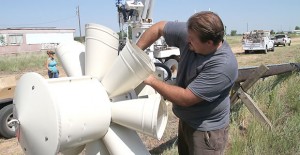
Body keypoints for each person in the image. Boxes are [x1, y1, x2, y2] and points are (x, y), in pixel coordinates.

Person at [136, 11, 238, 155]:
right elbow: (159, 27)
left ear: (209, 43)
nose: (186, 40)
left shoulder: (223, 66)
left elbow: (186, 98)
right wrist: (135, 53)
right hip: (187, 120)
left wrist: (152, 80)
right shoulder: (193, 33)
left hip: (207, 130)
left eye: (191, 40)